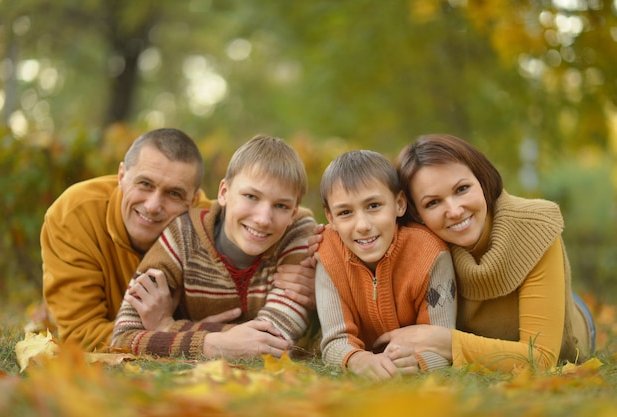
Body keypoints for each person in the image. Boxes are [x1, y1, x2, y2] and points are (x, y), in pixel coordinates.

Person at [41, 128, 317, 352]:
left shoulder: (201, 226)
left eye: (174, 194)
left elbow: (272, 215)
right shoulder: (74, 215)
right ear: (122, 176)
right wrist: (208, 337)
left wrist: (311, 260)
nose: (152, 206)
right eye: (145, 184)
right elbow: (84, 334)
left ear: (194, 200)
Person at [379, 133, 596, 372]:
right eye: (433, 203)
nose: (454, 210)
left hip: (568, 326)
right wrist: (330, 236)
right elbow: (362, 230)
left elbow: (542, 358)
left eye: (462, 189)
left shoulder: (535, 227)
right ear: (417, 214)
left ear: (481, 181)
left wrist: (446, 343)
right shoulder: (417, 243)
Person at [315, 150, 456, 381]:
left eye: (373, 206)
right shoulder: (328, 253)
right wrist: (357, 360)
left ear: (399, 204)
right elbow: (334, 340)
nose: (362, 225)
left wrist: (417, 362)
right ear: (331, 219)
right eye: (345, 212)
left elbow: (442, 341)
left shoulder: (430, 254)